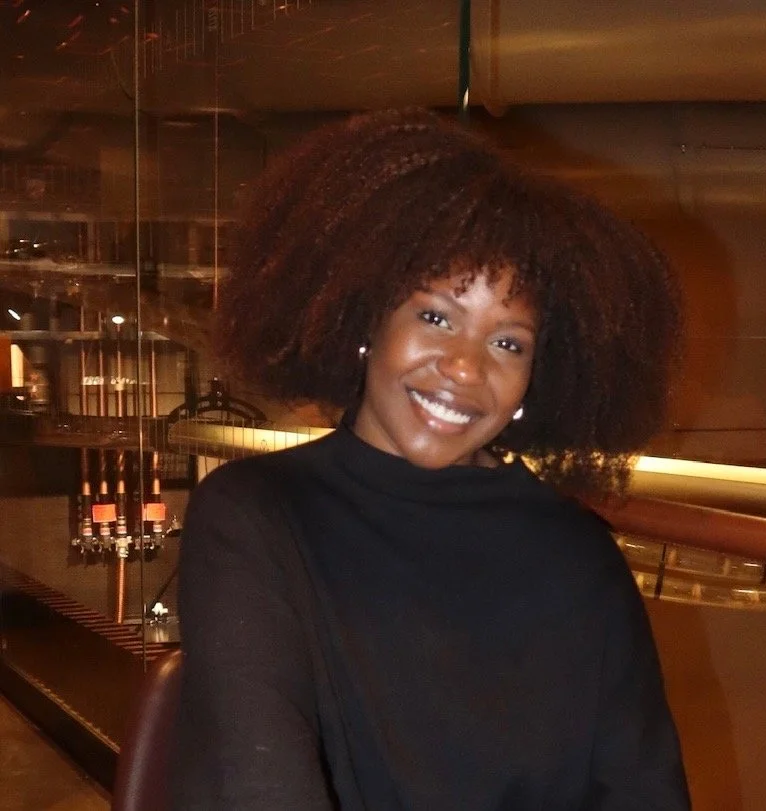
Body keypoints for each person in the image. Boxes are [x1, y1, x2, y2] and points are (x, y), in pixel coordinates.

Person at [171, 107, 690, 810]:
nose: (465, 367)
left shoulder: (578, 557)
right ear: (366, 321)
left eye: (508, 342)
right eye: (436, 316)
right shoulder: (254, 515)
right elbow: (258, 781)